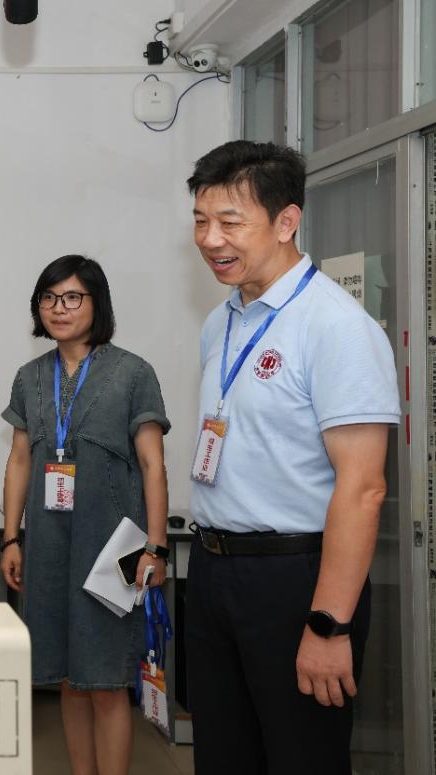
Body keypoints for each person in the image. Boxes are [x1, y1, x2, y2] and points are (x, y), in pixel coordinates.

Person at [184, 140, 399, 774]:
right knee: (223, 757)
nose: (211, 240)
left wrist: (329, 625)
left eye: (230, 222)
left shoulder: (336, 326)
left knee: (302, 758)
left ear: (286, 221)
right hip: (214, 569)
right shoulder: (221, 321)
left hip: (295, 578)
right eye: (201, 221)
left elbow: (364, 488)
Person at [0, 255, 170, 775]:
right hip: (49, 546)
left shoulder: (133, 373)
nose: (59, 308)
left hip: (114, 549)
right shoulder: (30, 377)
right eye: (49, 298)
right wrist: (11, 538)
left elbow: (153, 464)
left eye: (73, 297)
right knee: (69, 680)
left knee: (106, 682)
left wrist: (156, 547)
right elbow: (20, 460)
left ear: (98, 304)